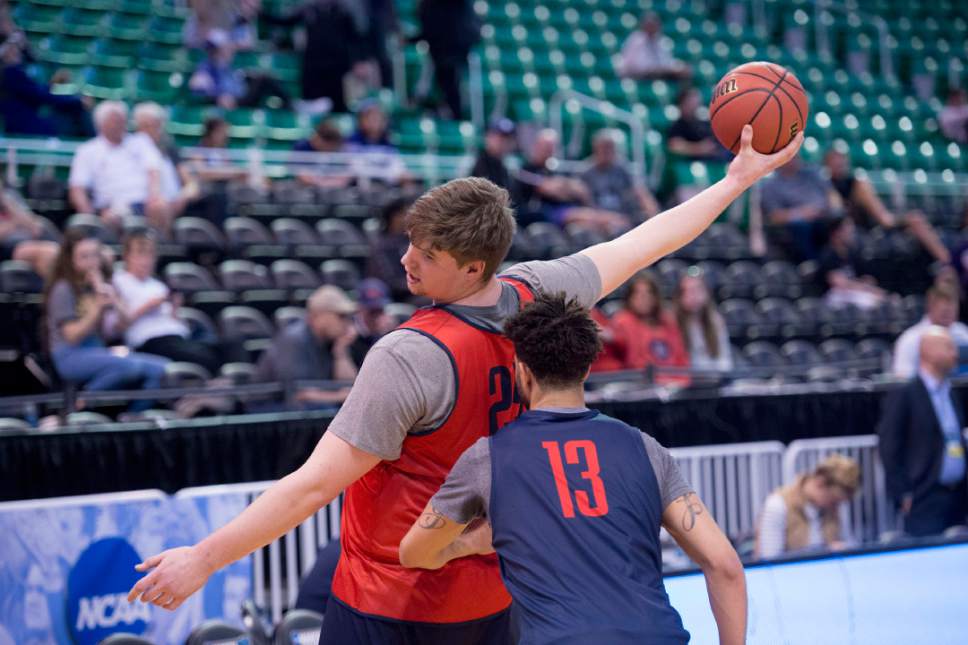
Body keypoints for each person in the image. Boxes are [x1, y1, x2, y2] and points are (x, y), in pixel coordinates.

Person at [126, 124, 801, 643]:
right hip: (493, 599)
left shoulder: (407, 355)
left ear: (473, 265)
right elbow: (646, 242)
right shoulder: (538, 290)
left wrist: (204, 558)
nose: (406, 259)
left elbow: (312, 484)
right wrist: (737, 180)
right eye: (410, 242)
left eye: (427, 255)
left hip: (390, 603)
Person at [398, 292, 746, 645]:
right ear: (587, 367)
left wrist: (470, 544)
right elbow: (725, 566)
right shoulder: (644, 447)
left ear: (522, 369)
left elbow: (414, 553)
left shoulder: (489, 456)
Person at [43, 231, 169, 411]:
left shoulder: (100, 286)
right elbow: (71, 336)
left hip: (99, 350)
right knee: (129, 366)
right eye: (84, 257)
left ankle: (134, 417)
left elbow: (125, 323)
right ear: (70, 260)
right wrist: (97, 307)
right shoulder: (63, 289)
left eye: (95, 255)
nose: (91, 262)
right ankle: (80, 405)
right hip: (70, 355)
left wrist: (112, 297)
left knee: (163, 369)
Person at [878, 326, 968, 537]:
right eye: (949, 347)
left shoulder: (951, 393)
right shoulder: (905, 394)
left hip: (957, 496)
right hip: (923, 496)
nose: (955, 353)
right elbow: (889, 447)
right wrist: (903, 493)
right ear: (928, 351)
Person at [112, 230, 225, 376]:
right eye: (140, 253)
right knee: (207, 358)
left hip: (177, 336)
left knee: (230, 346)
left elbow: (172, 319)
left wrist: (174, 309)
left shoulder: (158, 285)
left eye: (150, 254)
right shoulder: (118, 281)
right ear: (126, 255)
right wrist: (148, 306)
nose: (146, 260)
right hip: (151, 341)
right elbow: (117, 327)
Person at [823, 149, 949, 264]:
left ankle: (947, 261)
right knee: (914, 221)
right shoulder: (824, 185)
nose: (840, 164)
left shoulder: (855, 184)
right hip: (851, 230)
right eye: (835, 161)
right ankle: (947, 262)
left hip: (876, 225)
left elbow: (884, 218)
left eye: (842, 160)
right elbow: (837, 213)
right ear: (827, 164)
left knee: (916, 220)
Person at [254, 285, 366, 406]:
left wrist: (341, 353)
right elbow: (300, 395)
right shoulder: (294, 339)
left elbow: (349, 386)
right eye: (341, 316)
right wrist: (342, 396)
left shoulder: (333, 341)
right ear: (318, 316)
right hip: (269, 413)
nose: (347, 323)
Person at [68, 101, 167, 232]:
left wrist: (154, 196)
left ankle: (163, 248)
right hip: (109, 207)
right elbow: (77, 188)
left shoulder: (141, 142)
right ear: (100, 124)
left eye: (121, 120)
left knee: (160, 206)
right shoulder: (87, 150)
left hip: (143, 204)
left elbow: (153, 171)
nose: (119, 125)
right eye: (114, 121)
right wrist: (89, 215)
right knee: (112, 217)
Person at [260, 0, 368, 113]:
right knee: (311, 107)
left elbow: (356, 38)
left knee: (338, 108)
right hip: (313, 66)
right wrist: (260, 13)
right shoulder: (308, 9)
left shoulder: (344, 10)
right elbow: (285, 21)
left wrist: (359, 60)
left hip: (337, 67)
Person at [516, 129, 631, 234]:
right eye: (546, 146)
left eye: (551, 147)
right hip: (542, 212)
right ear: (536, 146)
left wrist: (564, 187)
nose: (549, 151)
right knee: (585, 216)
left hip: (561, 210)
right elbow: (550, 189)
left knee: (594, 227)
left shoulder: (552, 168)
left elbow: (579, 190)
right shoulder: (527, 168)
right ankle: (613, 218)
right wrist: (565, 187)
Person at [755, 454, 860, 559]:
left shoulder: (834, 508)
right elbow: (769, 559)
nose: (836, 507)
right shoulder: (777, 505)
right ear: (820, 483)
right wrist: (825, 552)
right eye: (833, 501)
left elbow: (850, 544)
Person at [0, 31, 92, 138]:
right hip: (24, 128)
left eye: (15, 48)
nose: (16, 51)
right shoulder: (10, 72)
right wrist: (77, 101)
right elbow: (40, 96)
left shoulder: (11, 72)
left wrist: (52, 85)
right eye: (10, 49)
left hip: (23, 124)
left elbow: (33, 92)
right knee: (75, 115)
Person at [606, 271, 690, 384]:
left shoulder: (667, 320)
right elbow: (633, 361)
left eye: (648, 293)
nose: (643, 298)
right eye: (638, 294)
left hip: (674, 387)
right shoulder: (623, 321)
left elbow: (681, 359)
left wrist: (681, 383)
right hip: (640, 387)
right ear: (629, 297)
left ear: (655, 297)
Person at [132, 102, 200, 237]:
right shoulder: (130, 149)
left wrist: (182, 197)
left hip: (172, 203)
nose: (150, 131)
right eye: (145, 126)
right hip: (142, 202)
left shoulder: (169, 149)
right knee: (158, 207)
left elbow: (192, 185)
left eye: (154, 126)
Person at [760, 154, 840, 261]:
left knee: (838, 221)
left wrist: (835, 209)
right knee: (801, 226)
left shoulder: (812, 174)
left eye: (795, 156)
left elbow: (831, 194)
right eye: (789, 156)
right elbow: (774, 216)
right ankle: (812, 263)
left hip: (823, 215)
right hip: (798, 223)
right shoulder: (771, 185)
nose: (794, 159)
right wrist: (802, 213)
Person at [188, 29, 291, 109]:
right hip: (228, 102)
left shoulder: (227, 65)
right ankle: (292, 106)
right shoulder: (206, 66)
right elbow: (196, 84)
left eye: (222, 48)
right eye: (213, 48)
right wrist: (217, 97)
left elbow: (236, 83)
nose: (216, 51)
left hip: (238, 98)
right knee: (263, 79)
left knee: (264, 78)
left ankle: (291, 105)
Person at [416, 0, 480, 118]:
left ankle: (455, 115)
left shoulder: (457, 6)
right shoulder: (429, 7)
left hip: (454, 52)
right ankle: (444, 111)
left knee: (451, 87)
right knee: (444, 85)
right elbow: (429, 29)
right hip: (439, 53)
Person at [892, 282, 968, 379]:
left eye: (952, 311)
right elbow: (902, 378)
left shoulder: (963, 333)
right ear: (930, 307)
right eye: (944, 312)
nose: (949, 316)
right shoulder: (910, 339)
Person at [581, 128, 659, 222]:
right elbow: (586, 203)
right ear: (595, 148)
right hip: (598, 217)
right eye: (604, 148)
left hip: (624, 215)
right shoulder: (586, 172)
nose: (607, 151)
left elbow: (639, 191)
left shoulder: (622, 168)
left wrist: (653, 212)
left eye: (610, 148)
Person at [818, 216, 893, 310]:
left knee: (884, 300)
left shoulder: (851, 253)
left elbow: (864, 279)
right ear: (836, 232)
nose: (851, 234)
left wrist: (869, 285)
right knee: (870, 302)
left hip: (852, 293)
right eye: (847, 230)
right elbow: (839, 284)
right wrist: (867, 288)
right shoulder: (828, 255)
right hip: (832, 297)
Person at [674, 267, 733, 372]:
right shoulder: (673, 321)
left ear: (707, 293)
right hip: (685, 379)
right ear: (680, 296)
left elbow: (725, 360)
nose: (693, 296)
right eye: (688, 291)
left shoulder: (716, 320)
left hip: (713, 378)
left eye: (698, 290)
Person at [0, 181, 58, 277]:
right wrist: (16, 223)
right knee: (49, 253)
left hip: (31, 239)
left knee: (44, 224)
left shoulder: (10, 197)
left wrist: (6, 203)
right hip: (8, 248)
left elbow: (34, 226)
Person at [616, 12, 692, 81]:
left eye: (653, 25)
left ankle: (684, 95)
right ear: (643, 25)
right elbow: (630, 66)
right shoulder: (635, 39)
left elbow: (667, 62)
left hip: (660, 74)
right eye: (649, 25)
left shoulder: (662, 41)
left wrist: (679, 67)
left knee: (684, 71)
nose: (651, 28)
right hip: (639, 77)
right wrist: (652, 69)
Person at [366, 195, 413, 301]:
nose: (410, 218)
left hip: (412, 289)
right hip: (394, 296)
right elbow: (390, 281)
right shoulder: (381, 245)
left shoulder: (411, 241)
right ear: (394, 216)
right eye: (405, 213)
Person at [666, 88, 726, 163]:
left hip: (715, 159)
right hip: (693, 163)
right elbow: (674, 146)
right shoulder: (677, 126)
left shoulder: (703, 123)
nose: (694, 106)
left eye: (696, 102)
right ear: (682, 104)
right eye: (690, 102)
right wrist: (699, 148)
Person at [469, 118, 516, 191]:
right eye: (500, 137)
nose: (504, 142)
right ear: (488, 137)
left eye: (507, 138)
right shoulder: (474, 163)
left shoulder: (508, 167)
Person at [353, 278, 395, 351]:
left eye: (379, 310)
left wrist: (390, 334)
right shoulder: (351, 332)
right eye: (372, 311)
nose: (376, 316)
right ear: (360, 308)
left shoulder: (391, 328)